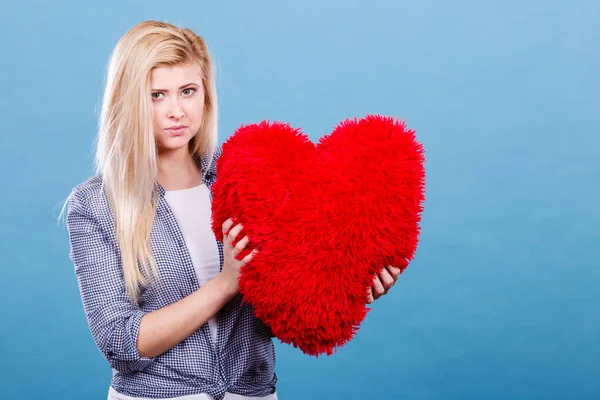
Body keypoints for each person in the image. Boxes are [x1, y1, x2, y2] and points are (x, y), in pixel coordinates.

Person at [64, 20, 401, 400]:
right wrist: (225, 284)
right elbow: (120, 343)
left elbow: (280, 304)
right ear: (128, 101)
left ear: (205, 94)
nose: (176, 110)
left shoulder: (243, 176)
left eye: (187, 91)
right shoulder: (95, 205)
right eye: (156, 95)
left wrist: (346, 286)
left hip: (252, 393)